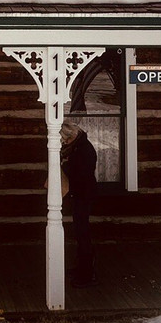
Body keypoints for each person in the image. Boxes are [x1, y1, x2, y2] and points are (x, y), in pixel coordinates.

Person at [61, 121, 98, 288]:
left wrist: (66, 166)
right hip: (82, 194)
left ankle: (86, 274)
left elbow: (80, 174)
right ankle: (81, 268)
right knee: (79, 231)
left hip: (84, 195)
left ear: (72, 136)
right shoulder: (79, 146)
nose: (64, 143)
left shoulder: (84, 150)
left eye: (65, 140)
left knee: (83, 234)